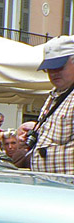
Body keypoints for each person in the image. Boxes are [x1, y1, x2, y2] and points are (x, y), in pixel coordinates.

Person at [29, 35, 74, 175]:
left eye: (59, 66)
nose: (53, 73)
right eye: (49, 68)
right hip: (51, 185)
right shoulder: (54, 95)